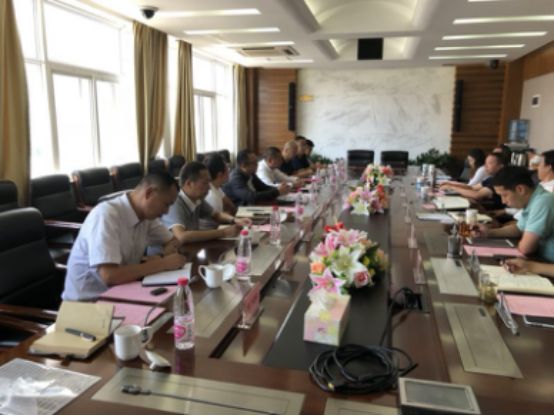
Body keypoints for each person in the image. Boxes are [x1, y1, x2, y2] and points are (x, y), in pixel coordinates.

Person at [62, 173, 186, 301]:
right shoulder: (106, 215)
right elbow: (109, 276)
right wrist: (162, 264)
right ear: (149, 193)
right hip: (87, 304)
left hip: (122, 293)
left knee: (177, 303)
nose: (166, 212)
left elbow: (173, 241)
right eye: (166, 204)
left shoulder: (147, 216)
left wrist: (161, 255)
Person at [472, 166, 554, 262]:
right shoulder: (533, 200)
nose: (503, 201)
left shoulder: (543, 201)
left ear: (520, 189)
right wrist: (489, 232)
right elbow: (519, 228)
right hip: (540, 257)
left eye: (504, 195)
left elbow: (526, 248)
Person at [162, 161, 251, 244]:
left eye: (209, 182)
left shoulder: (197, 199)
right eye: (205, 183)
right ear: (189, 184)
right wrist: (223, 232)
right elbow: (181, 236)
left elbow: (216, 215)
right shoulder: (174, 203)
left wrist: (235, 220)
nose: (209, 188)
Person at [440, 153, 505, 209]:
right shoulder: (491, 178)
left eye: (490, 163)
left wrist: (452, 187)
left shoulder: (499, 180)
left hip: (493, 212)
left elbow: (477, 195)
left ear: (501, 166)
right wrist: (450, 183)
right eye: (485, 163)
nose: (485, 166)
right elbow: (471, 187)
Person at [223, 149, 288, 206]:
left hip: (250, 205)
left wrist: (279, 189)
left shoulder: (251, 173)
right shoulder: (235, 178)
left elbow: (263, 187)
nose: (257, 165)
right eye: (254, 163)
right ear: (243, 165)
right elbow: (251, 197)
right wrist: (277, 192)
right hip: (239, 209)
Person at [201, 154, 237, 229]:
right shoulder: (211, 195)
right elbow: (219, 222)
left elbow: (231, 206)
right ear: (220, 175)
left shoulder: (216, 187)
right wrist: (229, 214)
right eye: (228, 169)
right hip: (213, 231)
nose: (229, 171)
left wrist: (229, 213)